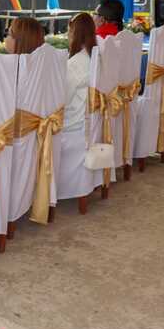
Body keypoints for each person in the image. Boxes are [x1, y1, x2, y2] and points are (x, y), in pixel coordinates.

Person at [57, 12, 99, 201]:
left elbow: (61, 100)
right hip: (93, 122)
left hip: (73, 125)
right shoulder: (97, 56)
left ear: (76, 33)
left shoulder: (74, 64)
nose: (68, 35)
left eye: (69, 31)